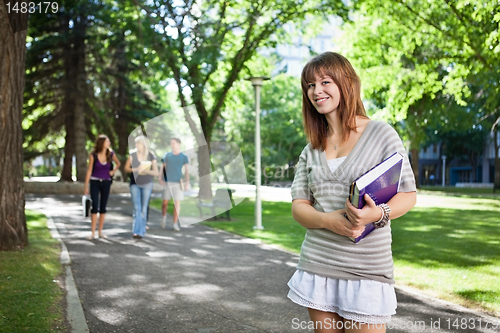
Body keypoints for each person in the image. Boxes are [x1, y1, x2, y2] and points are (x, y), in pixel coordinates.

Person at [287, 52, 417, 333]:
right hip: (318, 264)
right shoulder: (311, 150)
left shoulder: (381, 134)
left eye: (324, 82)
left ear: (346, 83)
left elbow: (408, 194)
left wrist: (377, 213)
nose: (316, 91)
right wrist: (327, 220)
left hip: (367, 268)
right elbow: (299, 206)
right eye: (310, 85)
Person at [84, 134, 121, 240]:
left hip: (106, 183)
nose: (109, 142)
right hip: (95, 182)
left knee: (103, 207)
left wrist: (112, 171)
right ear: (102, 143)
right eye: (107, 141)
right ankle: (92, 232)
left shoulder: (111, 154)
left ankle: (100, 232)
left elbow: (118, 163)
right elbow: (89, 171)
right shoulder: (93, 155)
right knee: (95, 206)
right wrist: (86, 186)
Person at [123, 136, 158, 239]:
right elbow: (126, 168)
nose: (136, 145)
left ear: (144, 145)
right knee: (136, 207)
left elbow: (155, 172)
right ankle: (137, 231)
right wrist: (136, 169)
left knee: (143, 208)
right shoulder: (132, 155)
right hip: (135, 184)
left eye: (139, 143)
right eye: (136, 144)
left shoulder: (151, 156)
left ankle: (141, 231)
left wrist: (145, 171)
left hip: (147, 184)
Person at [159, 138, 189, 231]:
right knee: (165, 202)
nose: (172, 145)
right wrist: (160, 177)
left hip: (178, 182)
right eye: (171, 143)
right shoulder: (167, 155)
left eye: (173, 143)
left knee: (177, 203)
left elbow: (187, 171)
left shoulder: (184, 157)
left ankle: (175, 223)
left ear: (178, 144)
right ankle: (163, 218)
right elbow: (162, 167)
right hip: (168, 181)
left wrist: (187, 182)